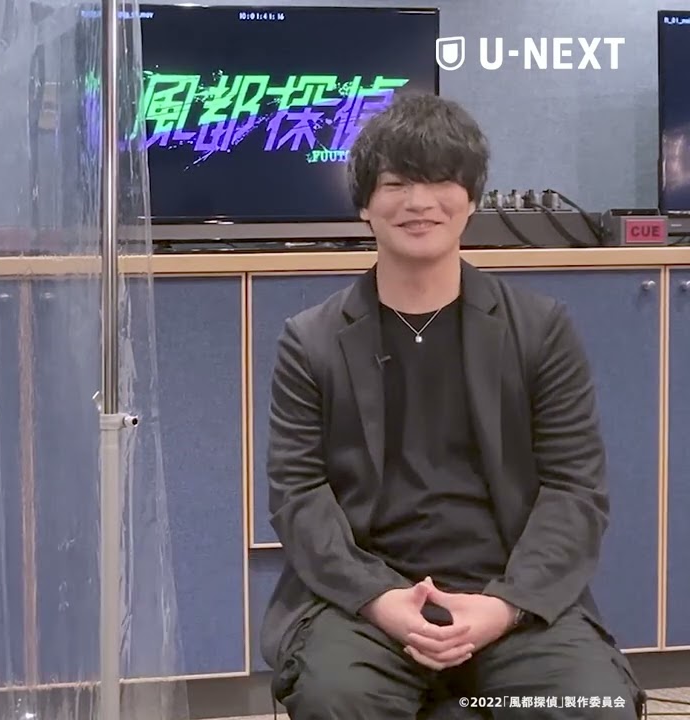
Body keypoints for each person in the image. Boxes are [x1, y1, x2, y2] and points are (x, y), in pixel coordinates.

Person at [258, 94, 645, 718]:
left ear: (471, 197)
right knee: (338, 698)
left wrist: (504, 606)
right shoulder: (311, 342)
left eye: (440, 181)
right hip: (366, 606)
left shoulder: (540, 330)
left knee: (592, 705)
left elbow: (575, 490)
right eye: (396, 184)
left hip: (509, 601)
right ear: (365, 204)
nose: (419, 202)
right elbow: (298, 496)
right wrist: (381, 600)